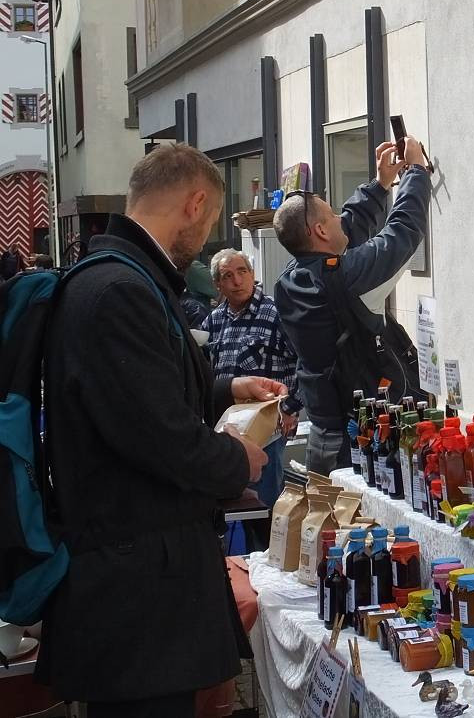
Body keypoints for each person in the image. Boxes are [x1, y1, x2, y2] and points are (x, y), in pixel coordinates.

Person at [39, 143, 284, 718]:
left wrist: (226, 389)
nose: (205, 241)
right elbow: (161, 437)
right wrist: (236, 461)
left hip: (144, 588)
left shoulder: (125, 280)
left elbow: (146, 390)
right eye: (211, 221)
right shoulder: (118, 291)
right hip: (138, 601)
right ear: (196, 204)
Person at [274, 137, 430, 474]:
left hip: (324, 432)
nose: (339, 218)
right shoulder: (345, 280)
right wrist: (416, 171)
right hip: (360, 439)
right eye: (332, 215)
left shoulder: (291, 279)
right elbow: (402, 232)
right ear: (318, 230)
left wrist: (381, 184)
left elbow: (345, 235)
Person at [204, 247, 302, 508]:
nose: (237, 281)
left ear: (252, 274)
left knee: (264, 506)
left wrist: (291, 408)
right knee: (234, 508)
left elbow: (305, 362)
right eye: (227, 276)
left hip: (267, 429)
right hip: (226, 432)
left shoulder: (275, 312)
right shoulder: (214, 321)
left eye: (242, 272)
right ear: (217, 284)